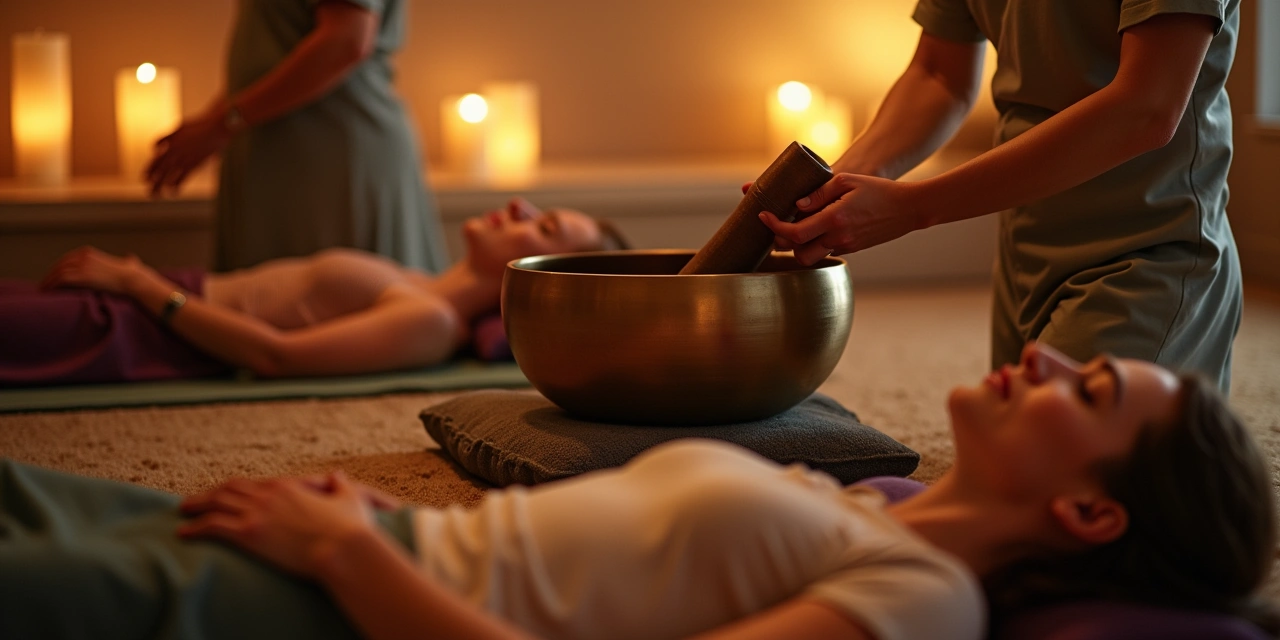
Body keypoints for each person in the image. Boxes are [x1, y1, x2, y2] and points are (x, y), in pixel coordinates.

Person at [0, 343, 1273, 640]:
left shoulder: (924, 597)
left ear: (1090, 513)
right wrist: (381, 515)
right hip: (353, 553)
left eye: (1088, 388)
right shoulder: (875, 498)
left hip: (339, 612)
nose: (1044, 354)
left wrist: (352, 558)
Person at [758, 2, 1243, 392]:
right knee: (1002, 456)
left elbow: (1147, 106)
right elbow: (938, 74)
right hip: (1026, 252)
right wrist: (835, 187)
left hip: (1149, 248)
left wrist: (912, 207)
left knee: (1045, 475)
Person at [0, 198, 628, 386]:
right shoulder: (416, 279)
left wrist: (139, 284)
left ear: (541, 265)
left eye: (543, 225)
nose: (519, 204)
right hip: (150, 302)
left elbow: (277, 356)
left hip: (146, 332)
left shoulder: (430, 321)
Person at [145, 0, 450, 273]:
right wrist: (215, 124)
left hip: (330, 163)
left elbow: (346, 40)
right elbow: (279, 48)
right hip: (290, 163)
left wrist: (224, 123)